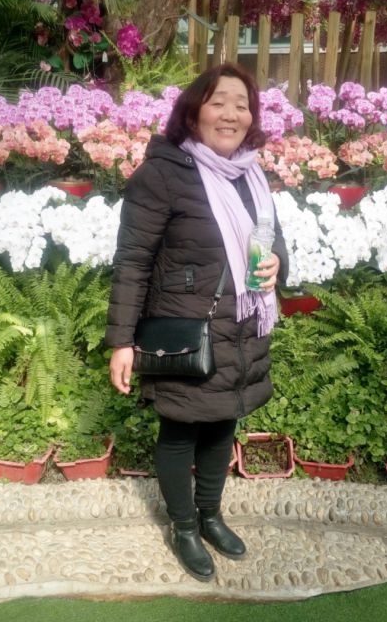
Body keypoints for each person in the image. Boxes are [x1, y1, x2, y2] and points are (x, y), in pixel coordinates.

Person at [105, 62, 289, 582]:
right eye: (218, 102)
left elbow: (274, 241)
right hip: (186, 332)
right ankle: (183, 526)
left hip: (241, 328)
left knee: (223, 424)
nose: (231, 114)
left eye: (241, 104)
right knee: (181, 428)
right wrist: (121, 341)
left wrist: (278, 264)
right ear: (193, 112)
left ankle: (210, 514)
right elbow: (133, 261)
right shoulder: (162, 174)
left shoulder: (252, 175)